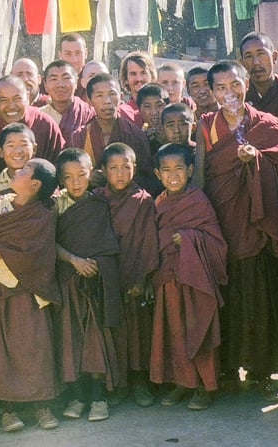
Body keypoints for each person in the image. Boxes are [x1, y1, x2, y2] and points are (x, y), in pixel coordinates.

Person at [194, 61, 278, 402]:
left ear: (247, 83)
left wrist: (257, 161)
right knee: (225, 301)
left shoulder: (267, 124)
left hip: (255, 227)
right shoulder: (206, 126)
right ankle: (225, 370)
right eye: (220, 88)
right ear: (211, 93)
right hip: (221, 226)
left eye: (234, 84)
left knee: (258, 298)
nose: (229, 93)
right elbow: (201, 177)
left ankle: (263, 372)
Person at [0, 158, 62, 433]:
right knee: (1, 349)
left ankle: (41, 406)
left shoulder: (44, 213)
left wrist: (5, 251)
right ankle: (7, 410)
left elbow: (39, 251)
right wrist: (11, 251)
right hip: (0, 287)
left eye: (25, 170)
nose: (17, 170)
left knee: (35, 348)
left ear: (35, 185)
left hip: (29, 290)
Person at [150, 143, 227, 411]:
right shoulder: (158, 202)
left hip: (196, 280)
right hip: (169, 278)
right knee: (175, 330)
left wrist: (187, 238)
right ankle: (183, 383)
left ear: (190, 170)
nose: (173, 175)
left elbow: (216, 241)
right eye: (167, 170)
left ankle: (207, 386)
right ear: (158, 174)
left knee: (199, 328)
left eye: (179, 169)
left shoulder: (198, 200)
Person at [53, 148, 121, 423]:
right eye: (69, 177)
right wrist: (74, 261)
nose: (76, 182)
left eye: (82, 174)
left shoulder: (98, 205)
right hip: (68, 280)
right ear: (60, 180)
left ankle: (98, 397)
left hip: (94, 282)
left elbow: (108, 244)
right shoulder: (55, 206)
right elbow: (48, 242)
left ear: (92, 172)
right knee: (70, 340)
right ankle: (77, 397)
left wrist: (94, 265)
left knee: (94, 340)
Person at [96, 143, 159, 407]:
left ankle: (139, 383)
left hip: (135, 273)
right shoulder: (97, 198)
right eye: (114, 168)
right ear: (103, 171)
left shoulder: (142, 200)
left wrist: (143, 278)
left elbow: (149, 240)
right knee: (114, 332)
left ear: (135, 169)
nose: (120, 173)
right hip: (108, 276)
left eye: (126, 167)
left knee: (139, 332)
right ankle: (118, 384)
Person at [71, 73, 157, 196]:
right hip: (90, 203)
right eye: (99, 95)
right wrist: (88, 177)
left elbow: (146, 179)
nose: (107, 101)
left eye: (112, 94)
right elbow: (69, 174)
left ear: (121, 97)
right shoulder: (79, 137)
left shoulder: (136, 135)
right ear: (89, 101)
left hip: (127, 202)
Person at [0, 75, 65, 179]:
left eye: (17, 98)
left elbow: (60, 165)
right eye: (3, 100)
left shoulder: (44, 123)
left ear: (27, 97)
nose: (11, 106)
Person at [41, 60, 95, 143]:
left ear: (76, 82)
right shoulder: (40, 116)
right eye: (54, 79)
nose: (60, 85)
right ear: (45, 85)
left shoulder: (88, 114)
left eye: (66, 78)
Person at [0, 123, 36, 197]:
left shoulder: (42, 179)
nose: (18, 151)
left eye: (23, 145)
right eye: (11, 145)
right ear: (0, 151)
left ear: (34, 149)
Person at [117, 51, 157, 126]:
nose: (139, 79)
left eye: (143, 73)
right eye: (133, 74)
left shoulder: (162, 111)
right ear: (126, 79)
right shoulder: (122, 114)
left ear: (152, 76)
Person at [136, 83, 169, 154]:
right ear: (139, 110)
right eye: (147, 106)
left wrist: (166, 141)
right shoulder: (136, 137)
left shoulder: (176, 131)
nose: (154, 112)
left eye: (159, 105)